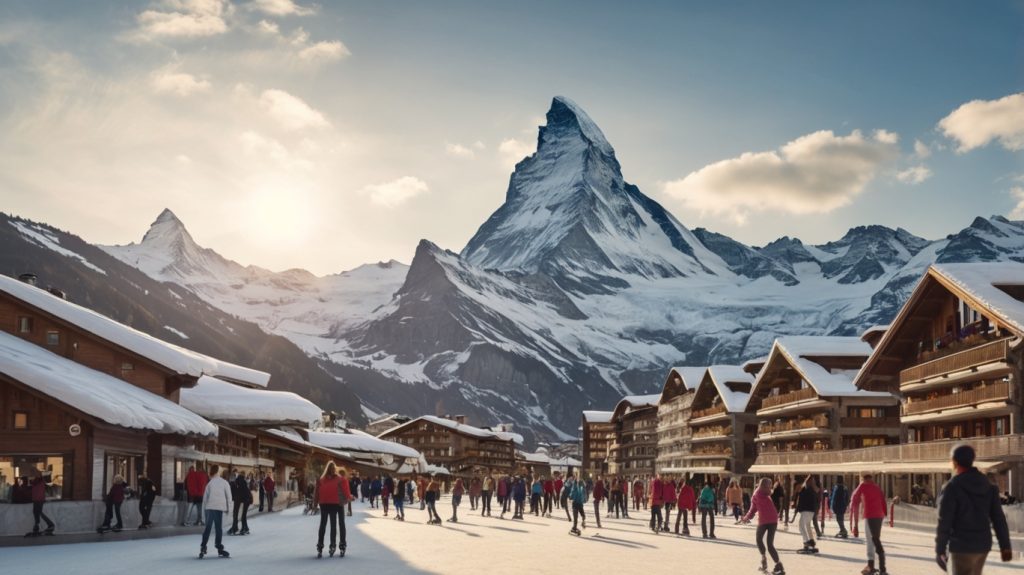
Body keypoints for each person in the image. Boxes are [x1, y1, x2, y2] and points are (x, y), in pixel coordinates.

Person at [936, 444, 1013, 575]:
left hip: (961, 546)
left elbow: (945, 520)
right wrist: (1005, 546)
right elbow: (998, 518)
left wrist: (940, 549)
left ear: (954, 462)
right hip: (982, 546)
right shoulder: (989, 486)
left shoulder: (952, 487)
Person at [741, 477, 785, 575]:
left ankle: (772, 563)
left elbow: (753, 509)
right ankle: (775, 564)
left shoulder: (761, 493)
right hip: (771, 519)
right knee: (765, 542)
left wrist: (746, 517)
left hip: (768, 520)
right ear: (762, 486)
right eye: (767, 487)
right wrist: (747, 517)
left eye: (769, 487)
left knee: (764, 542)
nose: (769, 489)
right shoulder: (759, 494)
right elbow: (753, 508)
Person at [851, 473, 887, 575]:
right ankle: (880, 567)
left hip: (870, 515)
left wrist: (852, 511)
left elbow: (854, 497)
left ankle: (871, 565)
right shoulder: (877, 487)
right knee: (875, 539)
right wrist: (884, 513)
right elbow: (883, 500)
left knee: (870, 540)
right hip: (879, 516)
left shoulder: (863, 485)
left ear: (863, 478)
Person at [314, 461, 350, 558]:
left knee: (323, 525)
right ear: (335, 470)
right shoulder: (341, 479)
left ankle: (320, 546)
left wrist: (315, 503)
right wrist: (349, 498)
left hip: (324, 504)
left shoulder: (321, 480)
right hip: (336, 503)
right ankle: (336, 545)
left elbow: (316, 492)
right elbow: (346, 492)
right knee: (337, 524)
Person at [199, 465, 231, 559]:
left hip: (209, 508)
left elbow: (205, 499)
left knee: (207, 528)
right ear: (218, 471)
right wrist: (229, 510)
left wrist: (203, 513)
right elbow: (229, 497)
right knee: (218, 528)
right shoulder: (224, 482)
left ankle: (203, 546)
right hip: (218, 509)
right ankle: (219, 547)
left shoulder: (210, 483)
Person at [795, 476, 819, 554]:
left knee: (801, 526)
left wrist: (798, 509)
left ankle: (807, 542)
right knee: (807, 526)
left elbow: (801, 500)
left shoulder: (805, 490)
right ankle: (811, 542)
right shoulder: (812, 490)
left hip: (806, 511)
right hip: (811, 511)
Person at [29, 469, 55, 535]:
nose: (34, 475)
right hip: (36, 499)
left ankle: (50, 524)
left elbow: (38, 488)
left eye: (36, 474)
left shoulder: (40, 480)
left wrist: (31, 481)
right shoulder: (36, 481)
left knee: (39, 512)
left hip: (39, 499)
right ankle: (36, 526)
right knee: (35, 512)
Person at [229, 468, 252, 535]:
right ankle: (244, 528)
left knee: (238, 514)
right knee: (241, 515)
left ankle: (237, 528)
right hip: (245, 499)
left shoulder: (238, 481)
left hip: (243, 499)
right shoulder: (240, 481)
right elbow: (244, 491)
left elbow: (238, 492)